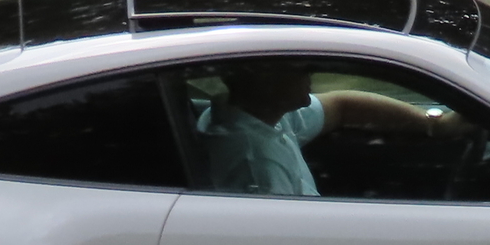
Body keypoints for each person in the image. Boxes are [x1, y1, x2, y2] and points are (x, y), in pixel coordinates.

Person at [194, 60, 463, 196]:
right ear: (266, 80)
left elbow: (342, 105)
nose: (311, 74)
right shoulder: (258, 167)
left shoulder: (257, 114)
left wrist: (434, 126)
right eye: (301, 68)